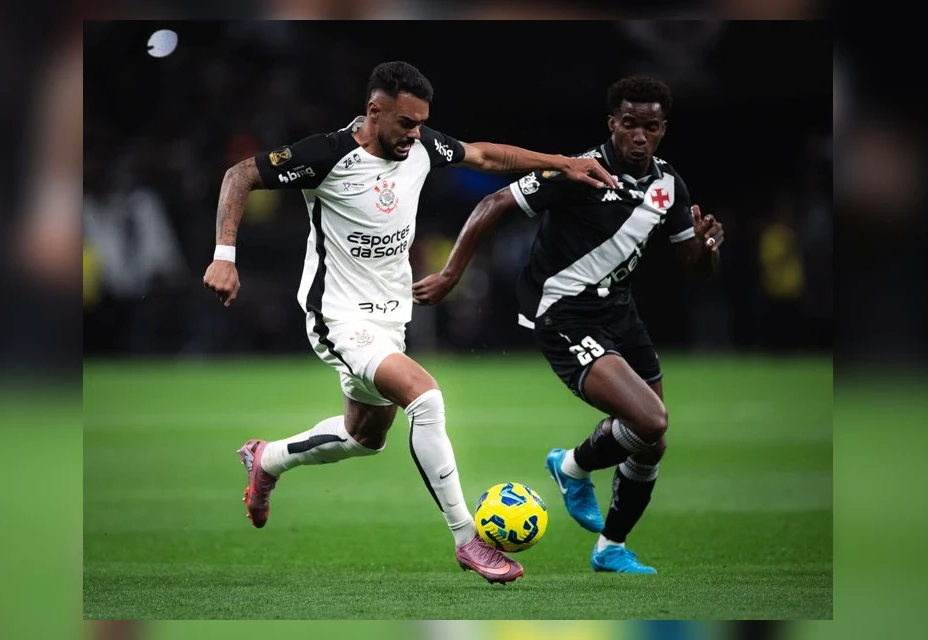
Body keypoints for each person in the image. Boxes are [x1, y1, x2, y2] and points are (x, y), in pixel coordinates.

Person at [202, 61, 619, 584]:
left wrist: (563, 162)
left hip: (391, 317)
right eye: (405, 123)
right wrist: (224, 255)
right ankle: (469, 541)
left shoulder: (420, 147)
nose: (415, 134)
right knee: (426, 396)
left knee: (363, 437)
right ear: (375, 110)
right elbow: (239, 175)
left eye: (421, 123)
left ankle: (267, 460)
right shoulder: (326, 155)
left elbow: (487, 155)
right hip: (337, 315)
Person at [413, 75, 725, 574]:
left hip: (619, 312)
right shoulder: (578, 172)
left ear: (663, 129)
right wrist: (452, 273)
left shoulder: (669, 185)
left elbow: (694, 262)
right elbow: (493, 204)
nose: (639, 136)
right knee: (650, 422)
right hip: (562, 312)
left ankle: (610, 548)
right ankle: (573, 466)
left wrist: (709, 249)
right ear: (612, 125)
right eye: (629, 125)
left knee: (653, 441)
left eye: (650, 126)